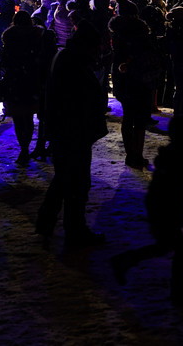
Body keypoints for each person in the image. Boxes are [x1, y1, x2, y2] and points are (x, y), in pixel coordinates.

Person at [111, 116, 183, 305]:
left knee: (166, 247)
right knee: (180, 250)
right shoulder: (176, 161)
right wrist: (171, 214)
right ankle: (178, 290)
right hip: (165, 213)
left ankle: (126, 261)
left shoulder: (178, 158)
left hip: (166, 212)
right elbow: (168, 191)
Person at [35, 24, 109, 247]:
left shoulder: (68, 57)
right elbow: (77, 99)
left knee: (65, 179)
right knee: (75, 182)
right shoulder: (73, 62)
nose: (99, 51)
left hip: (69, 130)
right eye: (97, 47)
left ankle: (48, 223)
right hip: (73, 131)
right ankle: (74, 229)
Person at [109, 0, 161, 168]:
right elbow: (149, 53)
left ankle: (130, 154)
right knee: (139, 119)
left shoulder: (116, 31)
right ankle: (137, 154)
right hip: (140, 77)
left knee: (128, 116)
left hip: (122, 77)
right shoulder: (140, 30)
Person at [0, 10, 48, 165]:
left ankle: (24, 148)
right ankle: (34, 145)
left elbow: (4, 61)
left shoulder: (10, 37)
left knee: (18, 118)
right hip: (33, 80)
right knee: (30, 116)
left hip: (15, 81)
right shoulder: (38, 36)